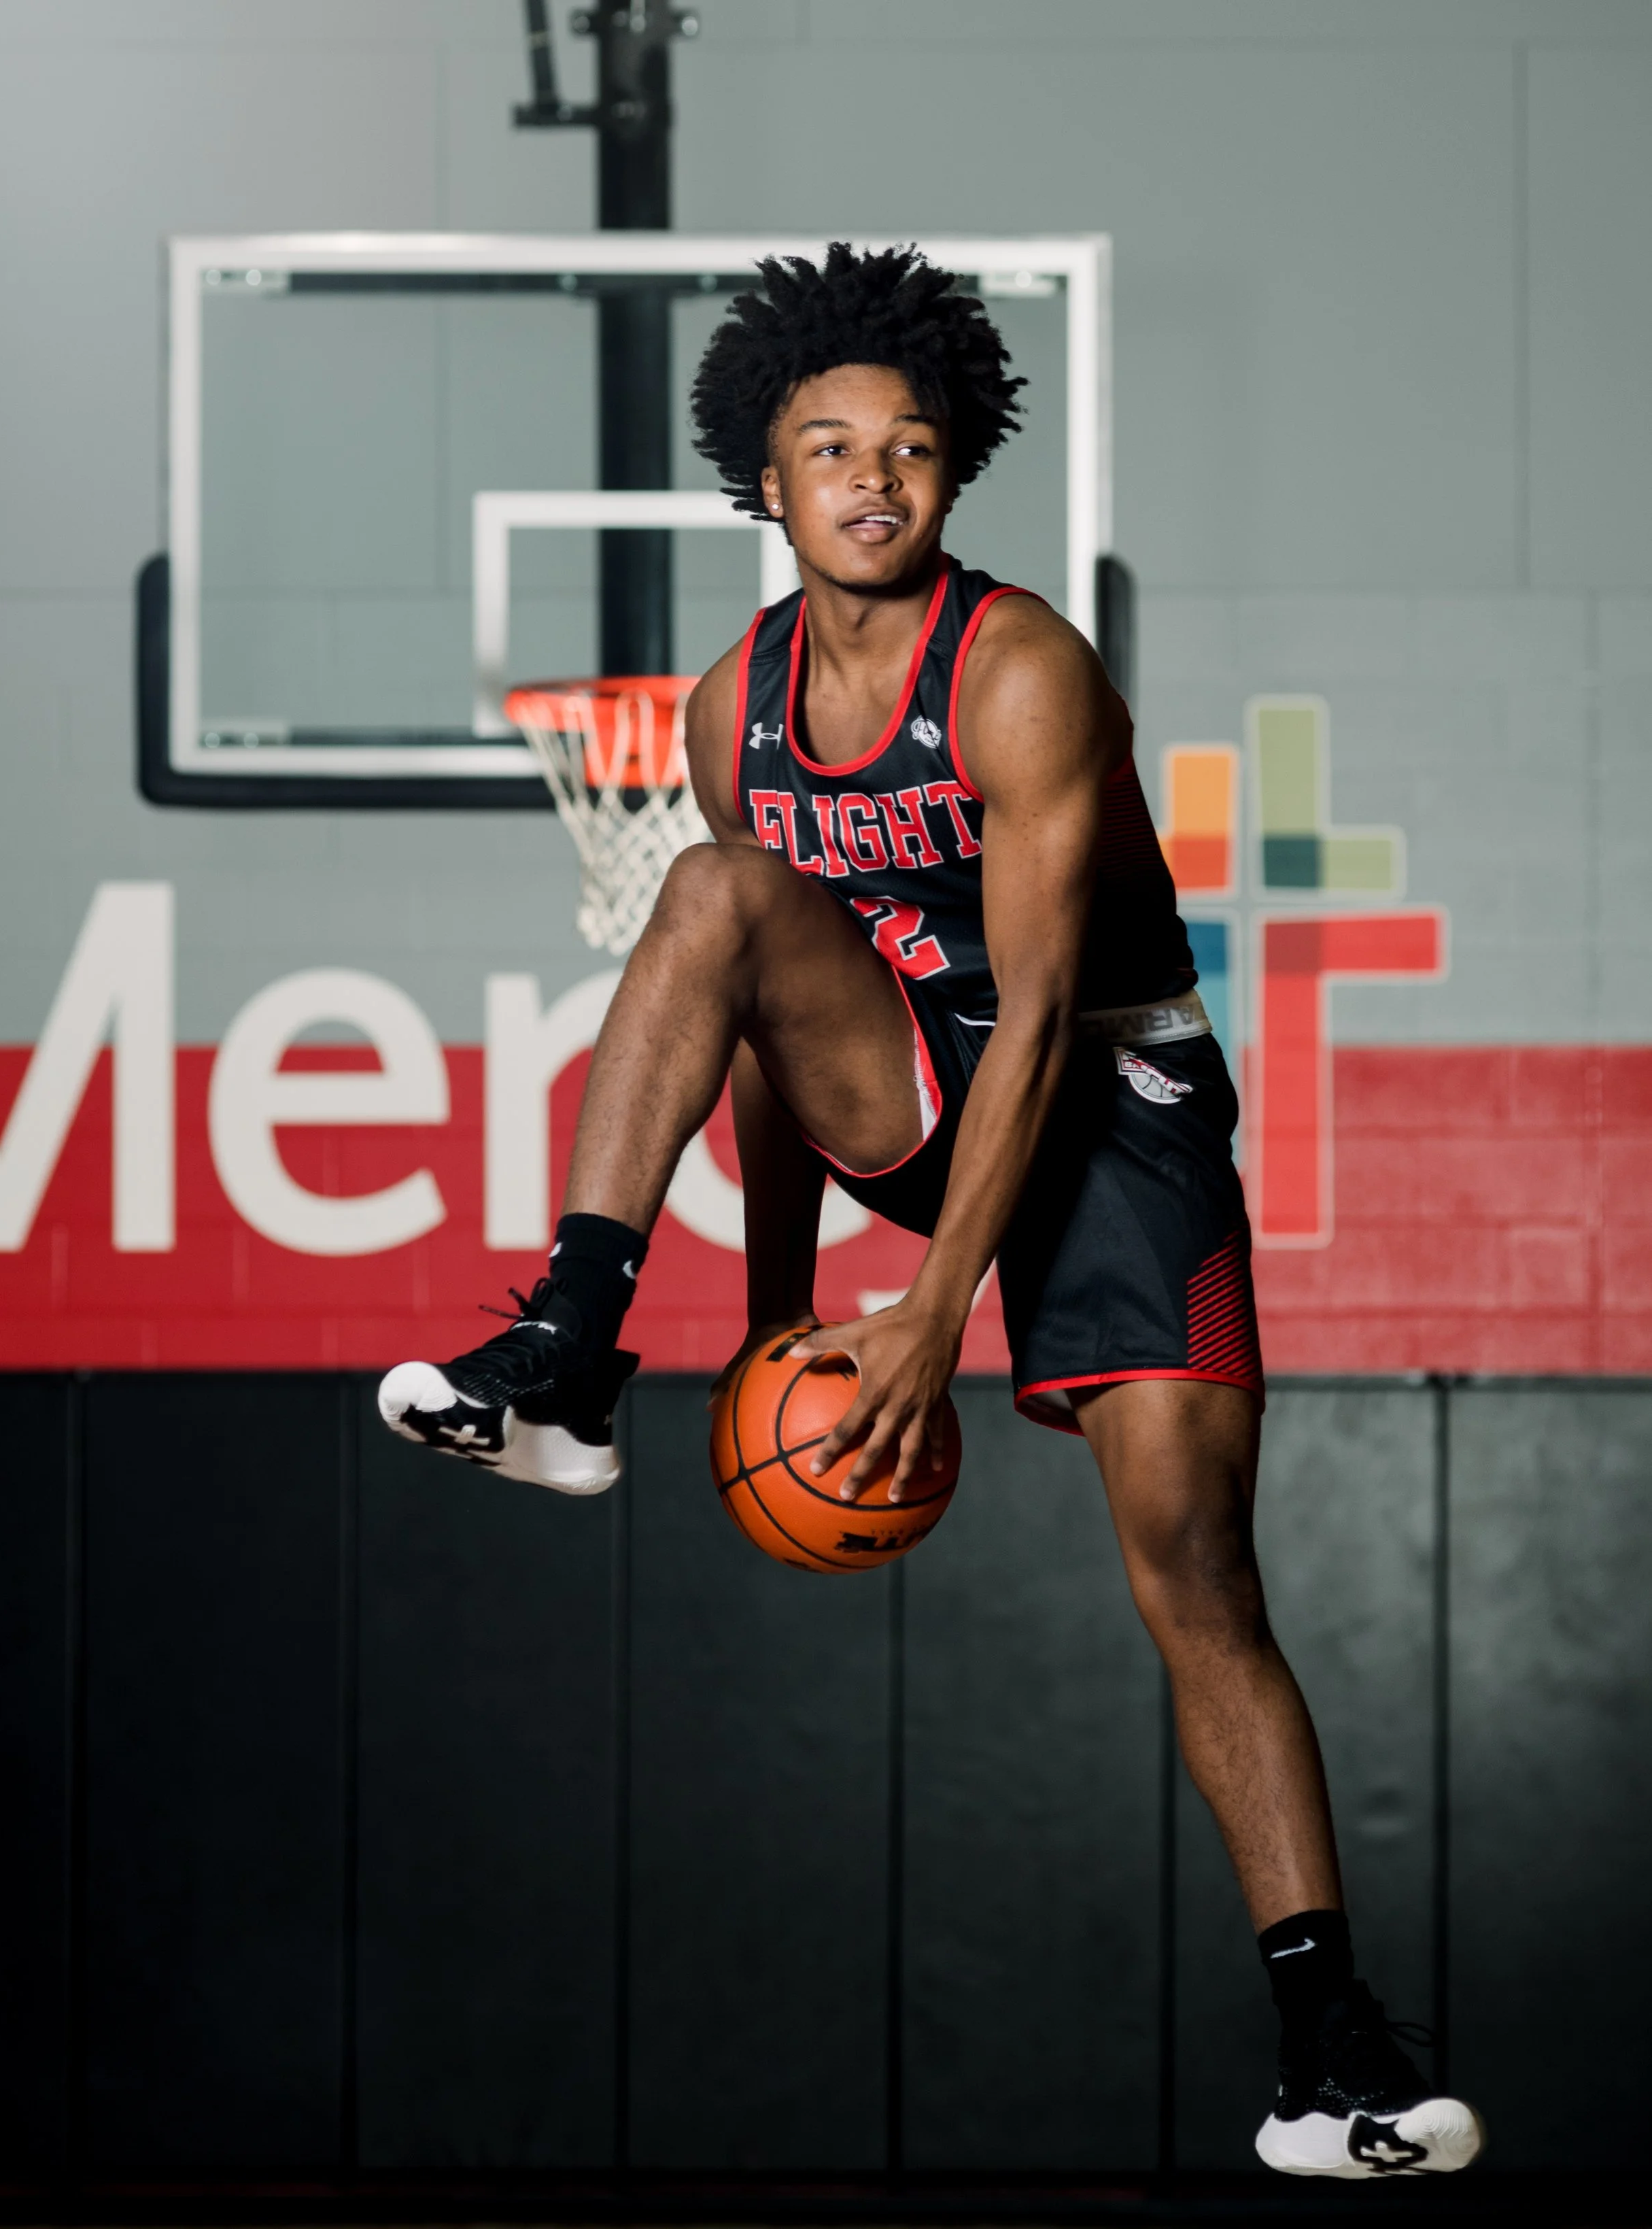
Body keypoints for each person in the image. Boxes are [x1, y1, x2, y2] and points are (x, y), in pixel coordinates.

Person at [379, 244, 1481, 2180]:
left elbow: (1044, 1014)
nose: (869, 479)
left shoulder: (1025, 665)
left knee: (1191, 1563)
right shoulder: (737, 708)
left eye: (905, 447)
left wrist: (936, 1312)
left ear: (953, 470)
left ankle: (1333, 2044)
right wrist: (786, 1313)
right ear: (766, 481)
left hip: (1109, 1109)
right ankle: (567, 1348)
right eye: (827, 448)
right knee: (714, 903)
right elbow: (755, 1035)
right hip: (901, 1077)